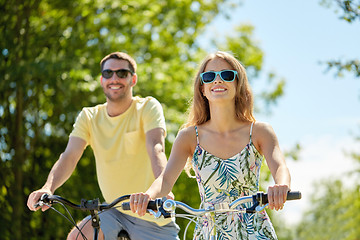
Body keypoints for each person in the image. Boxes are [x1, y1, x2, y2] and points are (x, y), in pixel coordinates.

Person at [130, 51, 291, 239]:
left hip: (253, 229)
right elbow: (165, 180)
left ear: (238, 84)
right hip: (210, 231)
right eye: (209, 76)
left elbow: (280, 166)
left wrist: (281, 186)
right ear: (202, 88)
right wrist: (147, 196)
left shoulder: (260, 132)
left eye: (227, 75)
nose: (217, 81)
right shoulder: (189, 137)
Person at [27, 52, 179, 240]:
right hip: (114, 211)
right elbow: (70, 155)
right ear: (101, 80)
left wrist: (162, 189)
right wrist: (48, 188)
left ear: (133, 79)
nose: (114, 78)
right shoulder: (89, 117)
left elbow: (156, 147)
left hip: (152, 213)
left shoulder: (147, 107)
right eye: (108, 73)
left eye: (122, 73)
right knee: (76, 237)